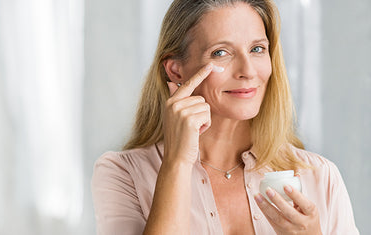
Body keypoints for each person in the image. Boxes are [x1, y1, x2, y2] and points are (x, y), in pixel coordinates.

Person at [91, 0, 359, 234]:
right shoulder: (123, 174)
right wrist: (177, 164)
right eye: (221, 52)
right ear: (175, 70)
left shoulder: (321, 177)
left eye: (257, 49)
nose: (247, 70)